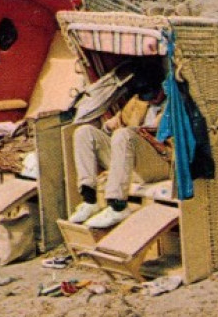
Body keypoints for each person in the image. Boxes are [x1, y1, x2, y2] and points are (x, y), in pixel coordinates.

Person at [68, 62, 168, 230]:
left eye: (153, 94)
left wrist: (132, 132)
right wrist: (109, 126)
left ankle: (117, 205)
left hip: (159, 162)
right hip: (128, 164)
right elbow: (115, 122)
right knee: (84, 132)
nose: (151, 99)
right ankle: (89, 199)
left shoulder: (173, 106)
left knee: (124, 135)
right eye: (146, 95)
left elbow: (160, 134)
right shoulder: (139, 103)